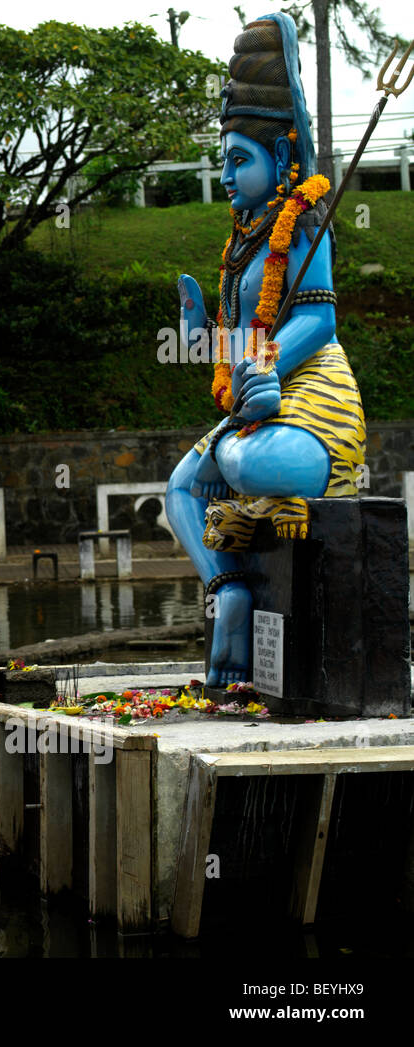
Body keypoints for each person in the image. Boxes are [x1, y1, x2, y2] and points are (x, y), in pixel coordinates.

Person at [165, 12, 365, 686]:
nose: (225, 175)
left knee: (256, 466)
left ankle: (245, 468)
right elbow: (242, 338)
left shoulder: (303, 222)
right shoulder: (244, 243)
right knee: (180, 488)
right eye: (222, 160)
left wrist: (266, 366)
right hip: (255, 401)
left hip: (311, 395)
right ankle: (228, 591)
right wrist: (202, 337)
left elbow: (318, 321)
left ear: (281, 157)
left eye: (239, 160)